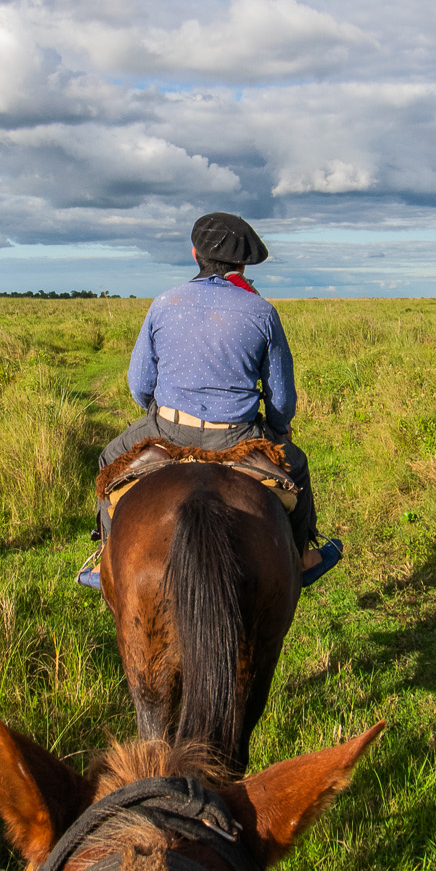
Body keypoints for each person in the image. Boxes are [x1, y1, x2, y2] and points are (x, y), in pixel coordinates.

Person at [80, 211, 343, 589]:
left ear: (194, 254)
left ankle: (105, 559)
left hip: (168, 429)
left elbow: (139, 384)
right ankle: (301, 559)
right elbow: (281, 397)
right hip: (239, 437)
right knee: (296, 466)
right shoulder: (263, 312)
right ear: (241, 264)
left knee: (109, 458)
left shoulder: (163, 303)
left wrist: (158, 415)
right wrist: (280, 428)